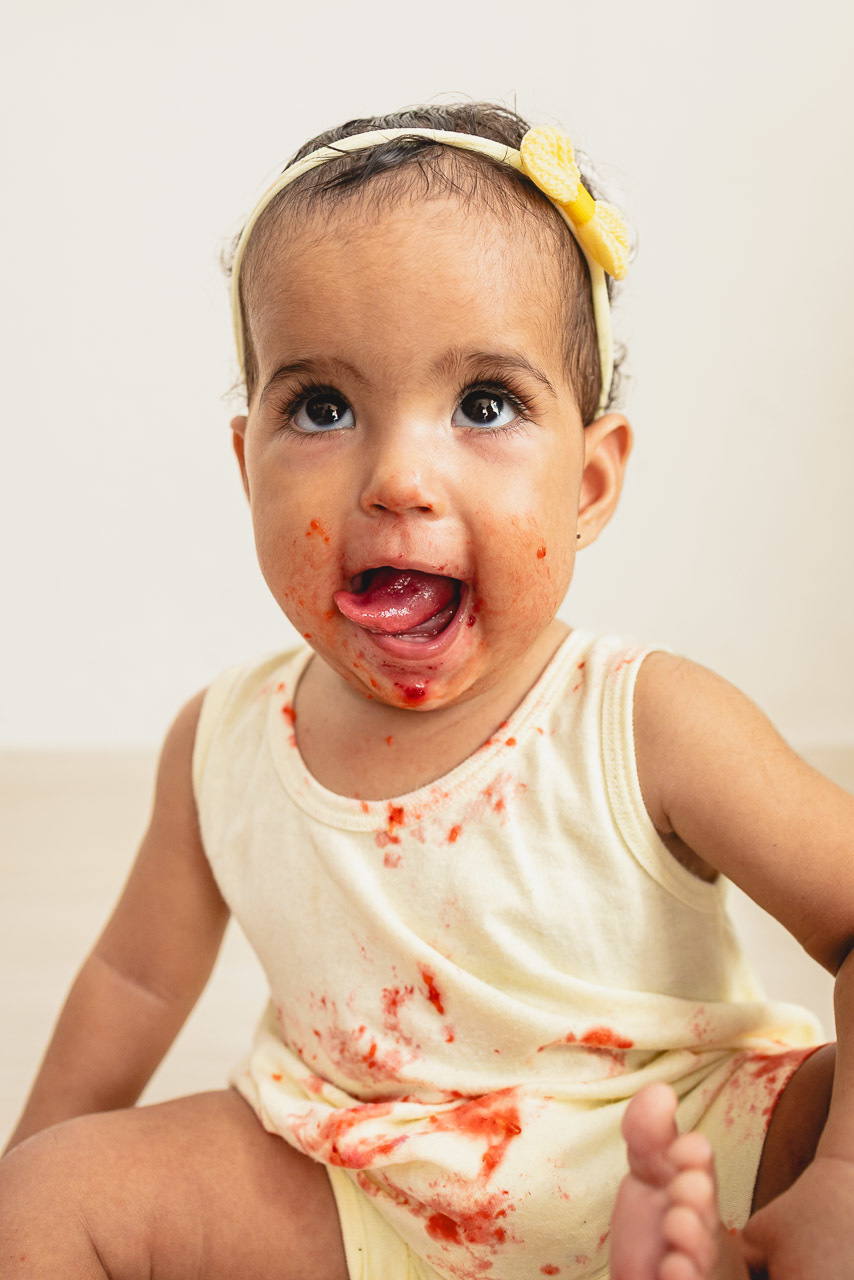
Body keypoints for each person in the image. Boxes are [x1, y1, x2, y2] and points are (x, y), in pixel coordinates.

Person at [1, 100, 852, 1280]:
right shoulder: (226, 742)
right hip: (359, 1178)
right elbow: (134, 976)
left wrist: (840, 1182)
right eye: (322, 406)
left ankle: (703, 1253)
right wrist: (31, 1169)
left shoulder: (642, 723)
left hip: (692, 1137)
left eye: (484, 405)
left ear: (591, 481)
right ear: (247, 463)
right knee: (49, 1191)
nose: (397, 476)